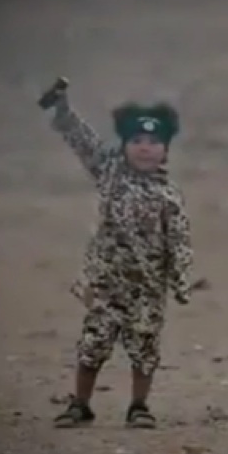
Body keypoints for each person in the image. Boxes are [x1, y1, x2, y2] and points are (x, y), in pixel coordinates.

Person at [41, 87, 193, 429]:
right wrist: (63, 112)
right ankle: (80, 404)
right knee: (93, 345)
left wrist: (180, 278)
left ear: (165, 150)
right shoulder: (111, 173)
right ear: (124, 145)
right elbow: (85, 143)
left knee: (145, 349)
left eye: (153, 142)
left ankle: (139, 406)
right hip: (106, 286)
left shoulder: (168, 196)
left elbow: (179, 239)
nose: (144, 147)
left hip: (147, 290)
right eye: (136, 140)